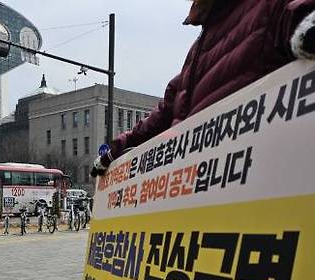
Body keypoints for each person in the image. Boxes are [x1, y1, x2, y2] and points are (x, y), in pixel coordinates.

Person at [93, 0, 315, 176]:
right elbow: (156, 120)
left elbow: (299, 15)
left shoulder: (268, 9)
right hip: (193, 193)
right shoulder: (194, 57)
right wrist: (113, 153)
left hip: (256, 188)